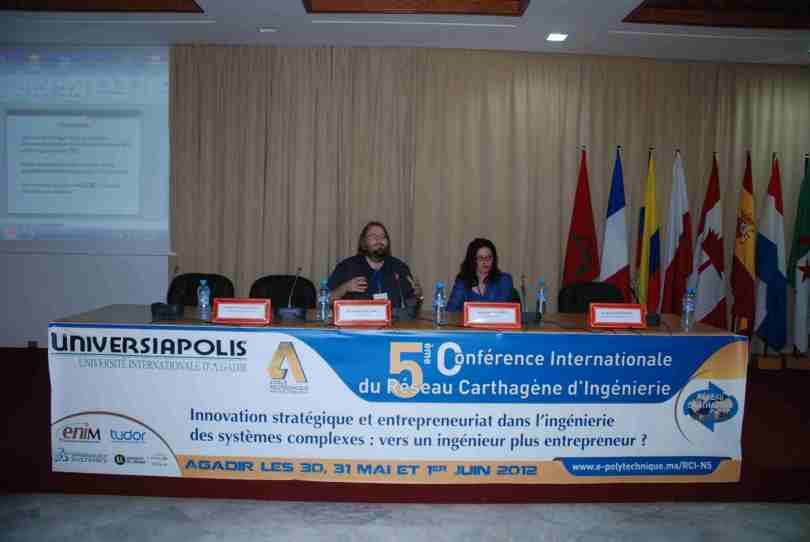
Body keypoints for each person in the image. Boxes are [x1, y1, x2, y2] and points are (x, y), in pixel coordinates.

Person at [328, 221, 423, 308]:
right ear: (363, 242)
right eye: (373, 236)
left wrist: (417, 296)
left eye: (383, 236)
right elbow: (325, 301)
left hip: (394, 320)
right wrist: (344, 288)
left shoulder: (400, 268)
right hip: (357, 321)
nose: (379, 240)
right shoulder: (347, 267)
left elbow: (411, 307)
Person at [447, 238, 514, 311]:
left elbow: (500, 309)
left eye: (489, 257)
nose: (486, 261)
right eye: (481, 258)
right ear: (472, 260)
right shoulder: (462, 281)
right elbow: (450, 310)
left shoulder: (504, 280)